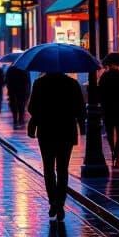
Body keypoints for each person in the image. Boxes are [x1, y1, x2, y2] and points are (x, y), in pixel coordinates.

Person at [27, 71, 86, 222]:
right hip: (66, 131)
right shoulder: (72, 83)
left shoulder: (40, 83)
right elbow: (80, 108)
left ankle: (53, 201)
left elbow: (32, 108)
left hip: (46, 131)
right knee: (62, 169)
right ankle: (60, 203)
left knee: (48, 168)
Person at [5, 63, 31, 128]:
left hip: (12, 90)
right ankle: (21, 120)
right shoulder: (24, 69)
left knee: (14, 106)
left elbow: (6, 80)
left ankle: (15, 121)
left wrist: (9, 87)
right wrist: (28, 91)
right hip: (22, 91)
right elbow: (28, 81)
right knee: (21, 105)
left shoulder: (10, 69)